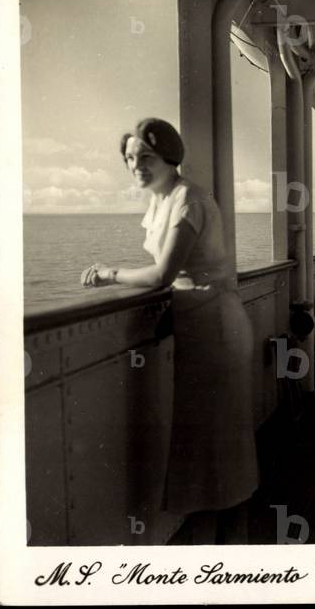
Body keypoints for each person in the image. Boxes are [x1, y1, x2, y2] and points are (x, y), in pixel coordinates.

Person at [80, 118, 257, 544]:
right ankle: (229, 542)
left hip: (215, 330)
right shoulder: (164, 201)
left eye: (146, 157)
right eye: (129, 158)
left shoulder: (186, 200)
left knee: (217, 443)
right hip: (200, 325)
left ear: (168, 158)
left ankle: (231, 547)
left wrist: (109, 274)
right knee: (212, 445)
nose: (136, 165)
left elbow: (162, 275)